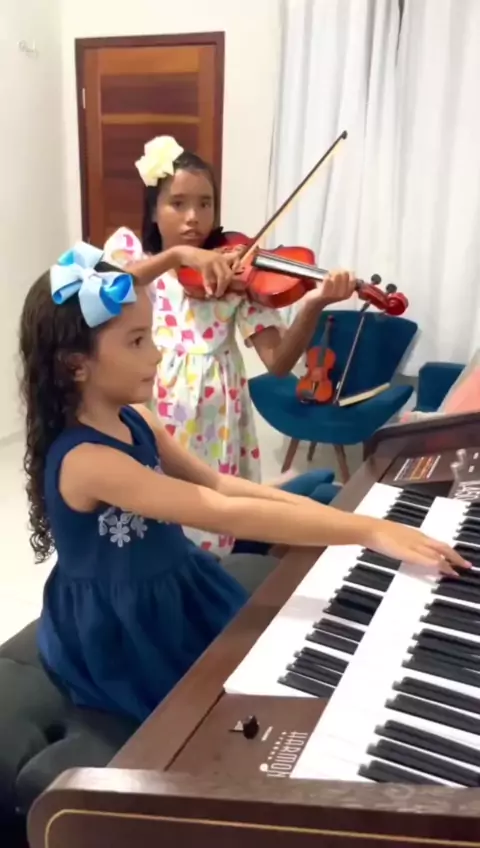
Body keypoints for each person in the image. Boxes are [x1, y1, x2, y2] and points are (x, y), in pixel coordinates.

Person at [20, 242, 468, 723]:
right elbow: (220, 512)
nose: (157, 353)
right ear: (76, 365)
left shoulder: (137, 419)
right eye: (136, 342)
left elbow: (217, 485)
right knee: (219, 711)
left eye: (150, 335)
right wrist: (369, 531)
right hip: (124, 625)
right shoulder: (87, 461)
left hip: (175, 579)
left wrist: (344, 517)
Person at [104, 135, 357, 556]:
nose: (194, 218)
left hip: (216, 424)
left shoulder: (236, 271)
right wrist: (178, 256)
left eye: (205, 204)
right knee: (157, 516)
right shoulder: (130, 254)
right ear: (153, 209)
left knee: (214, 521)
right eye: (178, 203)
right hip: (153, 412)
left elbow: (279, 363)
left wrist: (314, 304)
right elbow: (109, 287)